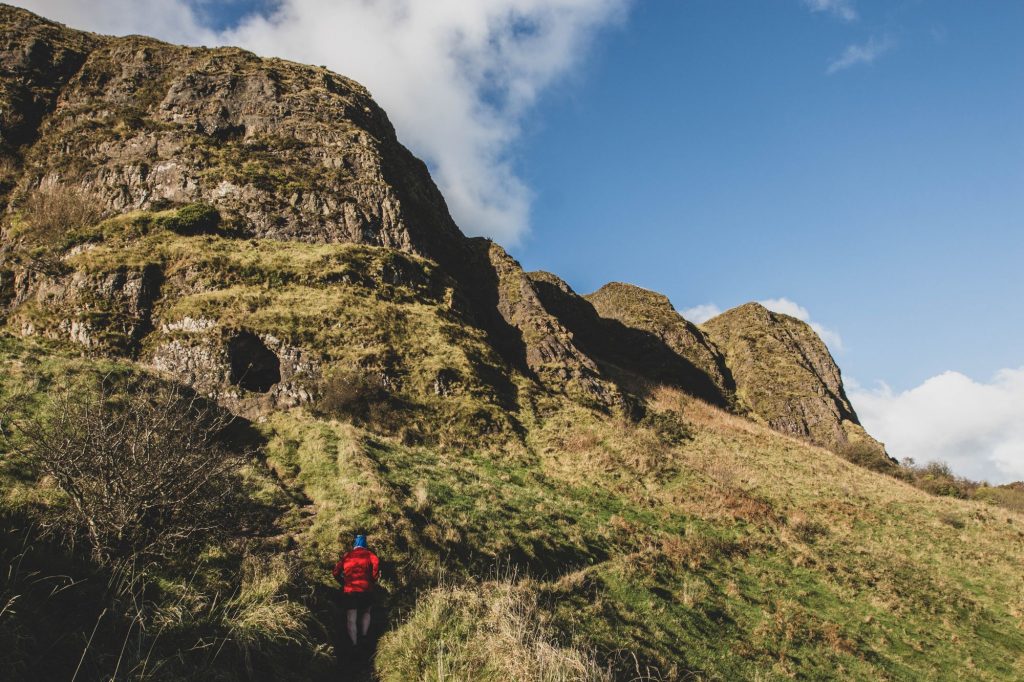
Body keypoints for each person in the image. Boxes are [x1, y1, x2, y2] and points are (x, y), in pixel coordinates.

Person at [332, 534, 380, 647]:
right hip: (366, 589)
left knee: (351, 618)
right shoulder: (370, 555)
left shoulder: (347, 556)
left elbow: (335, 572)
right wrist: (373, 579)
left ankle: (353, 644)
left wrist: (343, 582)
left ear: (355, 545)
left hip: (350, 590)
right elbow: (376, 564)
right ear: (365, 545)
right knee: (366, 611)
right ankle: (363, 636)